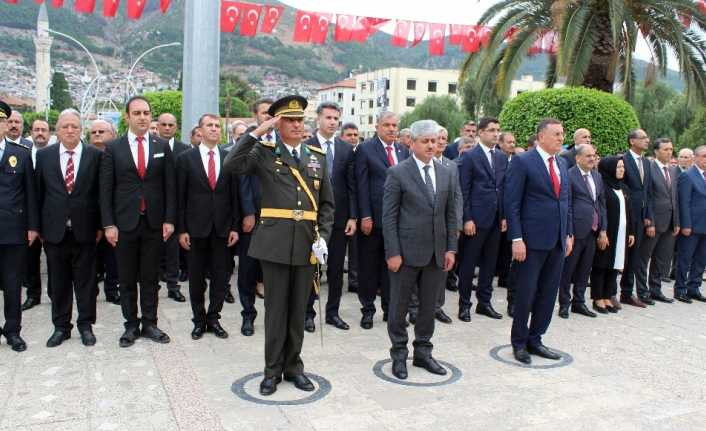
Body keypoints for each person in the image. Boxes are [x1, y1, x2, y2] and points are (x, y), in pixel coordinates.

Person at [223, 95, 334, 396]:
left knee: (298, 310)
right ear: (278, 123)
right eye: (290, 120)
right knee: (275, 311)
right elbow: (231, 165)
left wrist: (323, 236)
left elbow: (326, 205)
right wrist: (257, 132)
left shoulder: (316, 157)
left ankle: (294, 367)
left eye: (300, 120)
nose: (298, 125)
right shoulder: (264, 152)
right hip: (273, 243)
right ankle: (271, 371)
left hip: (305, 245)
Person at [382, 119, 459, 380]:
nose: (430, 145)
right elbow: (389, 217)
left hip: (437, 253)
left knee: (428, 307)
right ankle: (399, 354)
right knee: (399, 307)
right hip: (405, 253)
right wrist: (392, 252)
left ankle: (424, 353)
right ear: (412, 143)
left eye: (434, 141)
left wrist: (451, 249)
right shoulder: (398, 172)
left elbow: (450, 214)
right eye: (424, 141)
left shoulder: (447, 171)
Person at [100, 96, 176, 348]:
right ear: (127, 117)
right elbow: (106, 190)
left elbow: (169, 187)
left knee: (150, 277)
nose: (143, 117)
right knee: (127, 277)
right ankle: (131, 325)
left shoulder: (161, 145)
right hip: (124, 224)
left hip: (154, 223)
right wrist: (108, 224)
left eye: (146, 112)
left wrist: (169, 219)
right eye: (137, 113)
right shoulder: (114, 148)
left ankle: (150, 323)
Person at [504, 118, 573, 365]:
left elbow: (566, 200)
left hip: (557, 240)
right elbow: (511, 203)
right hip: (531, 242)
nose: (561, 137)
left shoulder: (563, 163)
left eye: (562, 133)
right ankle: (519, 342)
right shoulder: (523, 161)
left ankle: (536, 338)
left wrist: (569, 233)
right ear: (541, 136)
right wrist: (517, 238)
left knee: (548, 293)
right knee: (526, 292)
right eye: (556, 134)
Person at [35, 109, 102, 347]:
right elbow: (37, 194)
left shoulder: (94, 155)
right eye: (65, 127)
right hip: (54, 232)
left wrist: (103, 226)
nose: (70, 130)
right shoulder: (44, 156)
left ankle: (86, 326)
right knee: (59, 283)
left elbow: (101, 194)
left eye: (74, 126)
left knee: (86, 283)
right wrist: (37, 227)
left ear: (81, 129)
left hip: (86, 231)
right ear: (57, 130)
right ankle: (61, 327)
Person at [177, 113, 240, 340]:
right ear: (200, 131)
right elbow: (180, 198)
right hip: (195, 229)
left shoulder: (229, 158)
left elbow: (234, 196)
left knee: (221, 277)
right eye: (209, 126)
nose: (214, 129)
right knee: (195, 278)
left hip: (223, 229)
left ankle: (214, 318)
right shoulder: (185, 159)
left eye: (216, 126)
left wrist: (235, 226)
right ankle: (198, 319)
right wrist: (182, 229)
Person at [304, 102, 357, 332]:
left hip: (339, 219)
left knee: (336, 269)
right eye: (328, 117)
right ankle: (307, 313)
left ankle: (332, 312)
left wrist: (353, 217)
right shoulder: (306, 147)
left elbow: (352, 186)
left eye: (336, 118)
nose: (333, 122)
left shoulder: (346, 149)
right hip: (312, 218)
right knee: (312, 269)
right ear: (318, 119)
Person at [355, 111, 409, 328]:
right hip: (373, 219)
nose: (391, 129)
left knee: (393, 267)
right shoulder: (365, 149)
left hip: (397, 221)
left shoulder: (402, 150)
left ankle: (390, 310)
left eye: (395, 125)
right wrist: (365, 215)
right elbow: (361, 184)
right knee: (368, 268)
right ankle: (367, 310)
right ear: (377, 126)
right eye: (386, 124)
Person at [408, 125, 461, 324]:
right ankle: (414, 308)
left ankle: (436, 307)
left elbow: (456, 198)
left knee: (438, 275)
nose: (437, 143)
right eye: (431, 139)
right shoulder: (405, 169)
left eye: (441, 138)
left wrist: (456, 227)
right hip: (415, 238)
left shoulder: (449, 167)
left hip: (442, 233)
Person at [458, 117, 508, 322]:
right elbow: (463, 190)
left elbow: (503, 188)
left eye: (498, 130)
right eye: (491, 130)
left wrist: (504, 216)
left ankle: (484, 303)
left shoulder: (502, 157)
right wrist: (467, 218)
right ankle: (464, 305)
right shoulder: (469, 156)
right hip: (476, 220)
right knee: (469, 264)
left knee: (490, 263)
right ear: (480, 133)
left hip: (496, 219)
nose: (496, 134)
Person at [0, 100, 39, 352]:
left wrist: (33, 227)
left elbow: (31, 195)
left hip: (13, 230)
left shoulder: (20, 154)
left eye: (2, 120)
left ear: (6, 124)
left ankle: (13, 331)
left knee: (13, 284)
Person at [235, 98, 273, 336]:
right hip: (254, 217)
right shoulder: (247, 142)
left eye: (272, 113)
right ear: (255, 116)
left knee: (272, 270)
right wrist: (248, 212)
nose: (268, 117)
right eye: (264, 113)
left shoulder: (281, 141)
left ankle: (275, 316)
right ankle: (248, 315)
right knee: (248, 269)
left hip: (278, 218)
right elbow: (243, 180)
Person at [558, 144, 607, 318]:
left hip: (593, 231)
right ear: (578, 158)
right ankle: (564, 303)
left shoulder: (597, 176)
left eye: (594, 155)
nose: (592, 159)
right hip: (576, 231)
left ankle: (579, 303)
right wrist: (568, 232)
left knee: (585, 269)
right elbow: (567, 206)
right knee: (568, 269)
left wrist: (603, 230)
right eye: (588, 156)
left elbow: (601, 204)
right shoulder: (569, 175)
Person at [636, 138, 680, 303]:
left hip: (669, 222)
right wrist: (650, 222)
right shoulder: (649, 168)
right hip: (654, 222)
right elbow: (648, 197)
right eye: (665, 149)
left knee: (661, 259)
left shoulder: (674, 171)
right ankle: (642, 291)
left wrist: (677, 222)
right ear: (656, 151)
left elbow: (675, 197)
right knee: (644, 258)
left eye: (671, 149)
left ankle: (656, 289)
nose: (669, 152)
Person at [591, 156, 635, 312]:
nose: (622, 170)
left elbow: (628, 212)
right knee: (602, 265)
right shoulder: (602, 186)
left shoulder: (623, 187)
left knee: (615, 265)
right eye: (618, 167)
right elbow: (600, 211)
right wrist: (602, 232)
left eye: (623, 167)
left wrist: (631, 232)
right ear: (609, 169)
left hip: (622, 233)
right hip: (607, 232)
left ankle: (608, 295)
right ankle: (598, 298)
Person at [620, 129, 655, 307]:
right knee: (621, 255)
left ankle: (627, 292)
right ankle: (610, 292)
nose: (647, 140)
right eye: (643, 138)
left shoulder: (647, 164)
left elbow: (647, 192)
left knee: (635, 256)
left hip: (641, 218)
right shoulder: (623, 160)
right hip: (626, 215)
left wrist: (648, 215)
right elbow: (621, 189)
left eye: (647, 137)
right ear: (632, 141)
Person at [157, 113, 189, 302]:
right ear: (158, 126)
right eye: (164, 125)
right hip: (153, 205)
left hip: (176, 205)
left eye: (171, 125)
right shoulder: (151, 146)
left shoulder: (184, 150)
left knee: (173, 248)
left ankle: (173, 285)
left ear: (176, 127)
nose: (167, 128)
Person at [89, 120, 120, 305]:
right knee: (90, 256)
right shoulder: (84, 154)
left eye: (102, 131)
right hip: (89, 216)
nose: (98, 134)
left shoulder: (118, 154)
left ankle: (112, 289)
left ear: (113, 134)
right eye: (94, 132)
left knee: (113, 256)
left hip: (113, 215)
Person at [22, 119, 51, 311]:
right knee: (31, 257)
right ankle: (33, 295)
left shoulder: (55, 153)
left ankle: (55, 295)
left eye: (44, 130)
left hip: (51, 215)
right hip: (30, 214)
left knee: (54, 258)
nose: (40, 133)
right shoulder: (23, 154)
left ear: (49, 133)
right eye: (37, 130)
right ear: (31, 132)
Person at [674, 145, 706, 303]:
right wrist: (685, 225)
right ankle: (680, 289)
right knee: (685, 259)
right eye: (704, 156)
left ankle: (694, 287)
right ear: (696, 158)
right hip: (691, 226)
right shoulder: (687, 176)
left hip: (704, 226)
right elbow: (684, 203)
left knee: (701, 260)